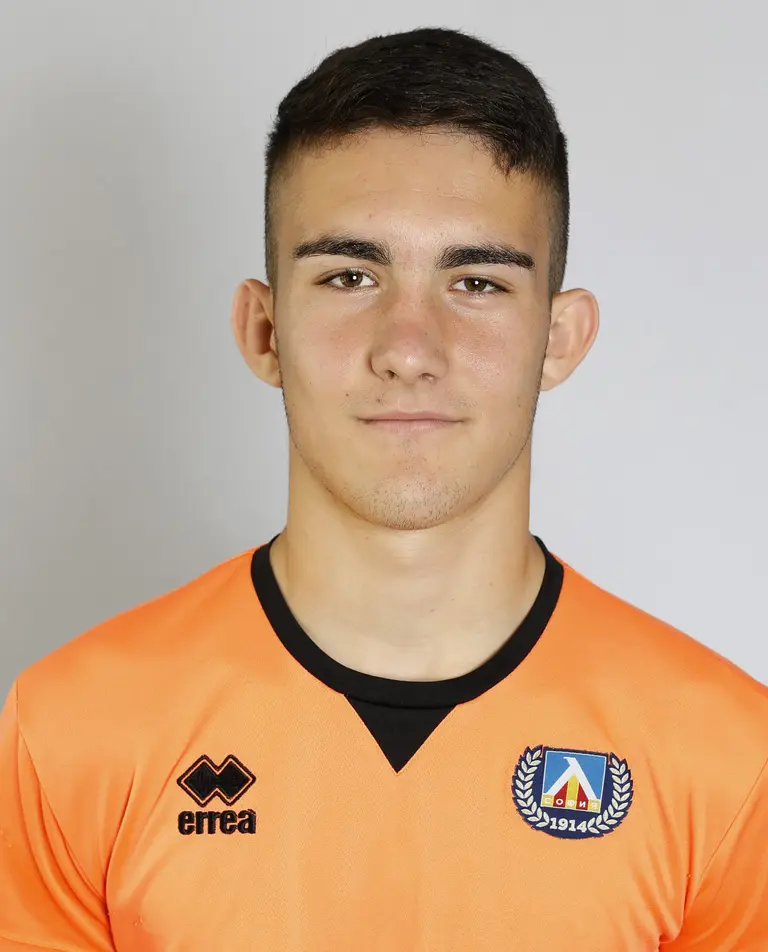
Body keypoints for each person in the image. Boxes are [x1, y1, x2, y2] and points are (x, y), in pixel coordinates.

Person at [1, 25, 766, 952]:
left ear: (559, 339)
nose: (409, 349)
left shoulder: (730, 761)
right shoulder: (72, 731)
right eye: (350, 275)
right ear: (264, 330)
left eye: (477, 282)